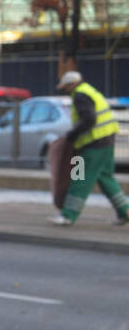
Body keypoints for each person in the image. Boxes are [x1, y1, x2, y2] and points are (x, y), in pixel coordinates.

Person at [50, 71, 128, 226]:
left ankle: (68, 215)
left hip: (93, 143)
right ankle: (124, 211)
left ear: (71, 85)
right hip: (107, 139)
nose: (65, 90)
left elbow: (89, 119)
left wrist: (72, 135)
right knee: (106, 178)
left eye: (65, 87)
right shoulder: (89, 90)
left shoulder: (80, 95)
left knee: (79, 178)